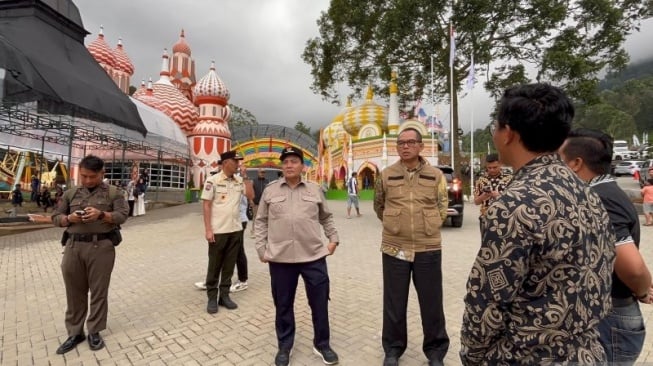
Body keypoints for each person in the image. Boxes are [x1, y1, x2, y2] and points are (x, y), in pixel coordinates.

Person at [460, 83, 616, 365]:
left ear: (508, 134)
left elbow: (487, 302)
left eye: (496, 126)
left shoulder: (515, 205)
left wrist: (473, 357)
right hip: (588, 351)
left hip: (528, 356)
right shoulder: (588, 192)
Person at [560, 128, 653, 364]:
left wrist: (642, 290)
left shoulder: (600, 198)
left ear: (576, 163)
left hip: (610, 318)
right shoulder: (605, 192)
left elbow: (632, 267)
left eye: (559, 161)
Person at [255, 146, 340, 366]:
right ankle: (285, 346)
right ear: (282, 167)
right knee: (283, 305)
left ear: (302, 166)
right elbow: (261, 221)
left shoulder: (314, 189)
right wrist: (261, 249)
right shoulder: (271, 190)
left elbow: (327, 217)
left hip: (313, 257)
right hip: (281, 259)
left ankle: (322, 344)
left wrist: (333, 239)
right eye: (285, 162)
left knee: (320, 303)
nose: (289, 165)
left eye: (294, 161)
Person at [373, 127, 449, 366]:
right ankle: (393, 350)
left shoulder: (435, 175)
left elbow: (442, 205)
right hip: (395, 247)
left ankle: (435, 352)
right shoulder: (386, 175)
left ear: (420, 146)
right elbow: (379, 206)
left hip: (428, 247)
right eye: (400, 143)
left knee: (432, 302)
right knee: (394, 302)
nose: (405, 146)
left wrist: (432, 223)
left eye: (410, 142)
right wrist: (395, 224)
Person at [50, 155, 128, 355]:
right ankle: (75, 332)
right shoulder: (70, 193)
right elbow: (55, 217)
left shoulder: (114, 193)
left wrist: (102, 215)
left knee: (98, 292)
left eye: (92, 177)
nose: (87, 181)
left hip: (101, 246)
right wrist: (69, 218)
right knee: (74, 292)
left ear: (102, 173)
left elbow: (123, 215)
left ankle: (94, 330)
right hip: (73, 247)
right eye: (84, 176)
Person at [201, 150, 253, 314]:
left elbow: (251, 195)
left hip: (236, 229)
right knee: (215, 265)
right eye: (235, 161)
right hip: (218, 231)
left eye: (238, 161)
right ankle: (211, 297)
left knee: (229, 266)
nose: (238, 164)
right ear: (225, 163)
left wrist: (245, 176)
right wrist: (208, 229)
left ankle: (224, 296)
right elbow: (206, 205)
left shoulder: (238, 180)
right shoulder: (213, 180)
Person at [473, 153, 511, 232]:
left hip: (505, 217)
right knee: (486, 243)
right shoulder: (481, 180)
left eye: (495, 167)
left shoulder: (510, 178)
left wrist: (499, 195)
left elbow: (515, 198)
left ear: (500, 164)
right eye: (489, 168)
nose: (492, 170)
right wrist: (483, 196)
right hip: (485, 217)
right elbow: (476, 202)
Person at [231, 188, 250, 293]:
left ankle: (243, 280)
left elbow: (251, 195)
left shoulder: (241, 181)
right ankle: (215, 279)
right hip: (230, 221)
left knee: (239, 251)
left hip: (240, 220)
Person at [250, 168, 268, 238]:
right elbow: (250, 192)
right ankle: (253, 232)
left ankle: (263, 232)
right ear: (258, 173)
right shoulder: (253, 181)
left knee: (264, 218)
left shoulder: (267, 181)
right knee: (255, 218)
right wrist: (251, 200)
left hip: (265, 203)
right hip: (256, 203)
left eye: (264, 172)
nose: (262, 173)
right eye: (261, 172)